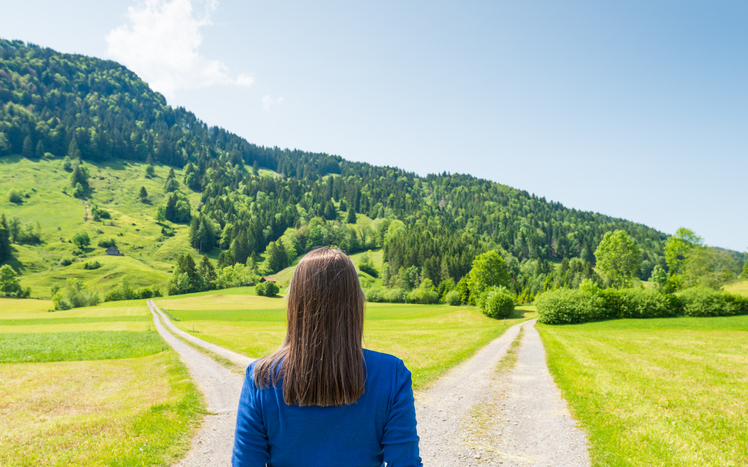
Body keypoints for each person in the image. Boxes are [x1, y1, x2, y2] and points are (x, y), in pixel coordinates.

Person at [232, 247, 422, 467]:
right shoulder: (391, 374)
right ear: (356, 303)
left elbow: (245, 463)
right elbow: (405, 463)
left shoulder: (261, 377)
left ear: (295, 304)